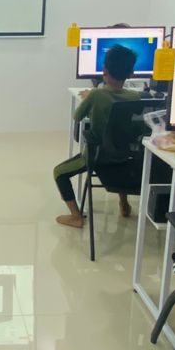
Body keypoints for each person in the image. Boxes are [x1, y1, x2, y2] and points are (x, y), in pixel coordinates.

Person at [54, 44, 141, 228]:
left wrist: (89, 98)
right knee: (118, 143)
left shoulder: (96, 95)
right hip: (124, 158)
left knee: (59, 172)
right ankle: (124, 204)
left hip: (97, 157)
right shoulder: (135, 97)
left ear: (104, 71)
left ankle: (76, 217)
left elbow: (77, 117)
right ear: (131, 74)